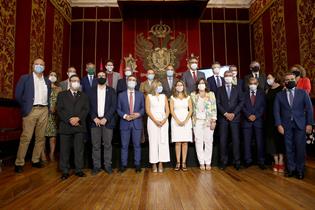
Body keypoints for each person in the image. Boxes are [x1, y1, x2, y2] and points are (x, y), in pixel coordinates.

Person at [274, 72, 314, 179]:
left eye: (292, 79)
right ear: (284, 82)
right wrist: (278, 125)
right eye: (287, 80)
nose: (289, 81)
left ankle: (300, 170)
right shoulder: (279, 95)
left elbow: (309, 109)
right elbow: (276, 112)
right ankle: (291, 169)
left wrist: (310, 124)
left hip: (300, 125)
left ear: (295, 80)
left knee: (300, 148)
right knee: (289, 148)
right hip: (286, 125)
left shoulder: (303, 93)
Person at [14, 58, 51, 173]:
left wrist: (47, 109)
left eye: (41, 64)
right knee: (26, 137)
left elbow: (48, 96)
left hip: (44, 110)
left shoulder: (47, 81)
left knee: (40, 138)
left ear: (44, 67)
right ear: (33, 66)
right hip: (31, 110)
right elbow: (18, 95)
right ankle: (19, 162)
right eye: (37, 64)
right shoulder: (25, 78)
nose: (39, 66)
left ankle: (35, 160)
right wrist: (26, 107)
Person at [57, 75, 90, 180]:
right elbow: (60, 109)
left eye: (77, 81)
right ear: (70, 82)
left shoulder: (84, 96)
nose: (75, 82)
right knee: (64, 150)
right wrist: (69, 119)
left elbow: (86, 109)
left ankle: (79, 170)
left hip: (79, 126)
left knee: (79, 149)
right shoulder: (62, 95)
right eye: (73, 81)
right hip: (65, 125)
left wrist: (78, 118)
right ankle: (65, 171)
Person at [89, 71, 117, 175]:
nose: (101, 77)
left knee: (107, 145)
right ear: (97, 77)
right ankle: (96, 166)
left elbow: (113, 106)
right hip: (94, 122)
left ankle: (107, 165)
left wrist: (106, 118)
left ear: (106, 78)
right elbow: (88, 106)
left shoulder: (112, 91)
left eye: (103, 76)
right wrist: (94, 118)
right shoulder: (91, 91)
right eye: (99, 76)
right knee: (95, 145)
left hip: (107, 122)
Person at [117, 75, 145, 173]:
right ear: (127, 82)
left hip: (137, 123)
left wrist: (138, 114)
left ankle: (137, 165)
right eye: (130, 80)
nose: (132, 81)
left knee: (137, 145)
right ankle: (123, 165)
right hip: (125, 123)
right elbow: (118, 109)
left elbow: (143, 109)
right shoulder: (121, 95)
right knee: (124, 146)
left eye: (134, 80)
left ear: (136, 83)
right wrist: (125, 116)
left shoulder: (140, 95)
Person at [217, 70, 244, 170]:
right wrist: (225, 114)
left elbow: (241, 102)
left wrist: (234, 113)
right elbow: (218, 103)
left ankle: (237, 161)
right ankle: (223, 161)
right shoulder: (219, 89)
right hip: (223, 118)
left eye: (230, 75)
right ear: (224, 77)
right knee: (223, 140)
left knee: (236, 140)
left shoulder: (238, 89)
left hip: (235, 118)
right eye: (226, 76)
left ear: (232, 77)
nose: (228, 77)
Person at [191, 78, 217, 170]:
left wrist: (214, 120)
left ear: (206, 85)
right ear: (197, 85)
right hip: (197, 121)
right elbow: (191, 108)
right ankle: (201, 162)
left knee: (209, 141)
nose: (201, 84)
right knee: (199, 141)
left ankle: (208, 162)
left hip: (208, 121)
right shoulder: (193, 95)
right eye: (200, 83)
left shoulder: (211, 94)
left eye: (203, 83)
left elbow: (214, 108)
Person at [146, 81, 170, 172]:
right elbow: (148, 110)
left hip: (164, 121)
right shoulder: (149, 96)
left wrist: (164, 120)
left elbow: (167, 110)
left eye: (160, 85)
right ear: (153, 86)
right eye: (158, 85)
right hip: (152, 121)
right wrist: (155, 121)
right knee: (153, 142)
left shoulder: (164, 96)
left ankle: (161, 163)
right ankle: (154, 163)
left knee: (163, 141)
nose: (159, 87)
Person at [242, 77, 266, 169]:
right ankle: (248, 160)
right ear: (248, 84)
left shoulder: (262, 94)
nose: (253, 85)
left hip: (258, 121)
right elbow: (242, 106)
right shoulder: (243, 94)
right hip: (246, 121)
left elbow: (263, 107)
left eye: (255, 83)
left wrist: (256, 116)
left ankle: (261, 161)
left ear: (257, 84)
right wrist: (248, 115)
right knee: (246, 142)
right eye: (251, 83)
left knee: (260, 142)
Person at [170, 80, 193, 171]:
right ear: (175, 87)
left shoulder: (188, 97)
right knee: (178, 142)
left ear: (184, 86)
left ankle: (183, 162)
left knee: (185, 142)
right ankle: (177, 162)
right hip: (176, 121)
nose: (179, 86)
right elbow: (171, 110)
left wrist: (185, 121)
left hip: (186, 121)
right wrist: (178, 120)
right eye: (178, 85)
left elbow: (190, 110)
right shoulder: (172, 97)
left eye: (181, 85)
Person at [265, 74, 285, 172]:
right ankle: (275, 159)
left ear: (275, 78)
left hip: (279, 117)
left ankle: (281, 160)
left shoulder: (282, 89)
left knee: (279, 139)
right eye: (267, 78)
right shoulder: (267, 90)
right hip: (269, 118)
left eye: (270, 77)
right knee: (271, 139)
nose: (268, 79)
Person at [42, 71, 62, 162]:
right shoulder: (44, 86)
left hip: (54, 115)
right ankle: (42, 154)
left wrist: (56, 109)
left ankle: (51, 154)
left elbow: (61, 102)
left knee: (53, 137)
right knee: (42, 135)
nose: (53, 76)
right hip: (44, 113)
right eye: (51, 75)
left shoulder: (59, 89)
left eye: (55, 75)